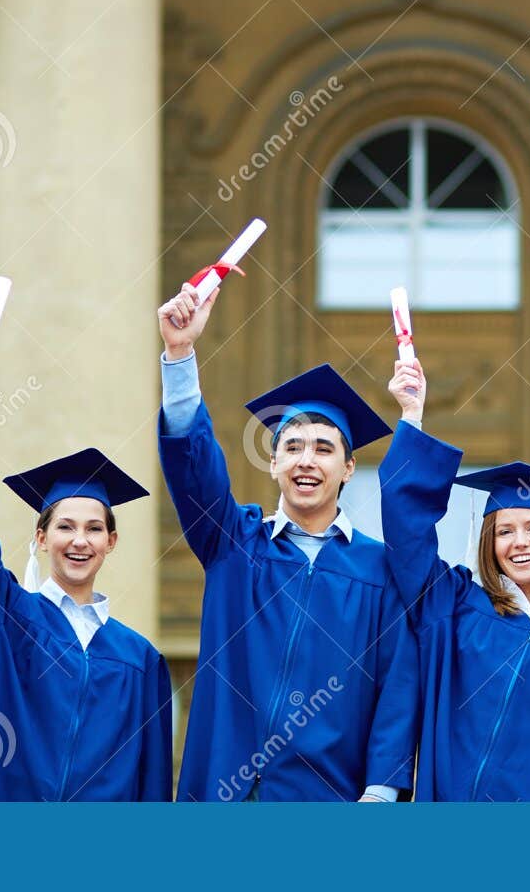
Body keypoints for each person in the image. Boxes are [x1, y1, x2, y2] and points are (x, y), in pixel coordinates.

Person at [155, 283, 419, 802]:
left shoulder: (378, 570)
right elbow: (194, 468)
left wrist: (382, 788)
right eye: (292, 446)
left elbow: (398, 682)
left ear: (347, 468)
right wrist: (180, 354)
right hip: (227, 792)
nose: (306, 460)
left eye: (324, 448)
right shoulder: (234, 545)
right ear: (272, 463)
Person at [379, 357, 530, 802]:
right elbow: (407, 532)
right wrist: (411, 417)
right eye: (504, 531)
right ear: (490, 543)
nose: (520, 543)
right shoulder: (454, 607)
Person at [0, 351, 173, 801]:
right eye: (65, 527)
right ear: (41, 538)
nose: (79, 540)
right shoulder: (2, 617)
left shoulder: (140, 660)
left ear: (111, 542)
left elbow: (152, 788)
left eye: (94, 529)